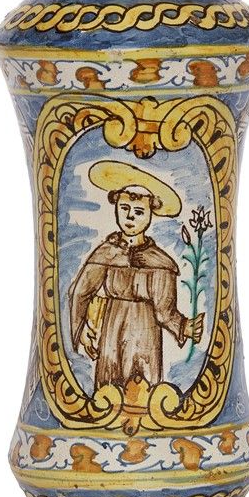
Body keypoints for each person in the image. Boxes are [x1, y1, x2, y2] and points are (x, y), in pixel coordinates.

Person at [68, 160, 204, 389]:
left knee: (143, 385)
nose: (130, 217)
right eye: (124, 208)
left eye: (139, 211)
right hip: (112, 331)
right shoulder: (106, 253)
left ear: (151, 213)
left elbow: (164, 310)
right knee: (109, 385)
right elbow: (80, 291)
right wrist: (81, 328)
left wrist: (183, 327)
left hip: (145, 336)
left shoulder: (160, 262)